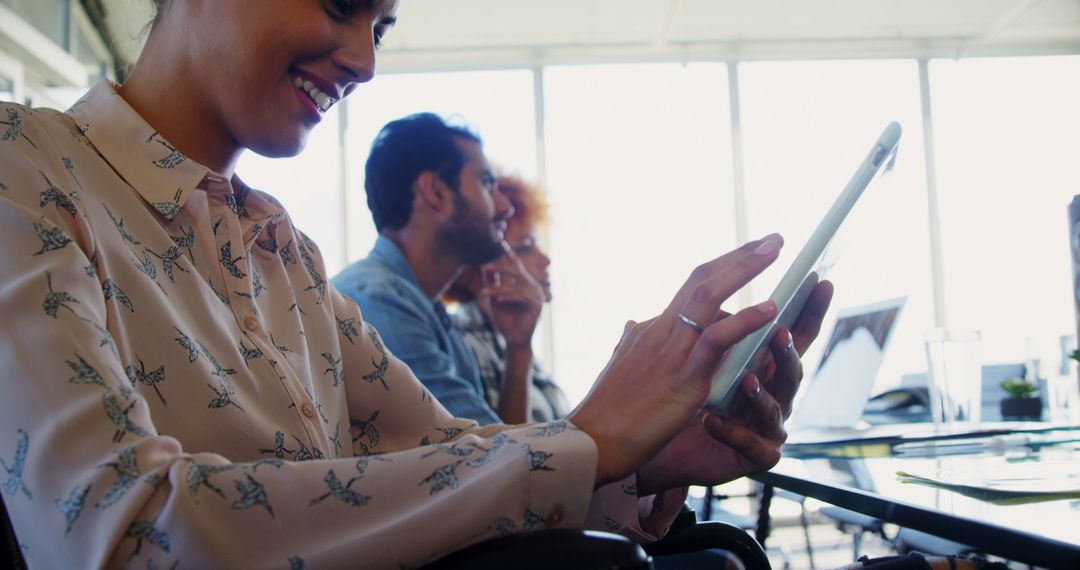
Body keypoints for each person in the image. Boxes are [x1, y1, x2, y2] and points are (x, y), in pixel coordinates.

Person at [0, 0, 832, 568]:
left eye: (383, 27)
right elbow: (124, 534)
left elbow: (444, 455)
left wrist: (643, 458)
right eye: (338, 3)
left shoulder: (279, 248)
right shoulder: (24, 166)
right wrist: (589, 442)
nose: (363, 58)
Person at [333, 116, 553, 426]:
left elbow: (504, 462)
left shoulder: (430, 313)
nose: (505, 206)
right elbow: (483, 461)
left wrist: (519, 347)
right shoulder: (378, 300)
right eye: (487, 184)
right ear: (435, 191)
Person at [442, 173, 570, 424]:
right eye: (525, 247)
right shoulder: (468, 346)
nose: (545, 260)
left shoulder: (505, 343)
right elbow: (504, 455)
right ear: (481, 267)